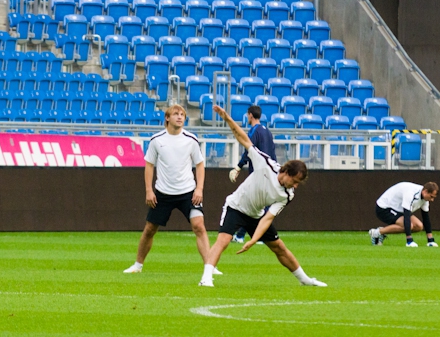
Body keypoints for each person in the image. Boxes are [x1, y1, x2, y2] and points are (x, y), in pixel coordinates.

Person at [198, 105, 327, 288]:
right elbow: (243, 139)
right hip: (236, 206)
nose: (296, 186)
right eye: (295, 180)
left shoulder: (287, 194)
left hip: (256, 215)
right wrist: (227, 118)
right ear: (287, 172)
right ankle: (206, 278)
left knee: (279, 247)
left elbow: (268, 218)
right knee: (224, 240)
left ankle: (305, 280)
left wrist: (253, 240)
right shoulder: (265, 164)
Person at [124, 104, 218, 274]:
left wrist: (199, 189)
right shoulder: (157, 140)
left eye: (182, 114)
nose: (180, 117)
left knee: (199, 225)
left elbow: (200, 164)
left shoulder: (191, 139)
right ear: (167, 118)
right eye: (176, 114)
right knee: (150, 229)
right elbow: (149, 165)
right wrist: (148, 190)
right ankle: (138, 265)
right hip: (163, 193)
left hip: (188, 192)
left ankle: (209, 266)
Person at [228, 105, 276, 244]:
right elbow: (272, 153)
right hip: (269, 173)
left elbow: (250, 151)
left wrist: (238, 167)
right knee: (258, 204)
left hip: (257, 174)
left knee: (250, 204)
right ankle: (244, 235)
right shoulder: (268, 131)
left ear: (250, 115)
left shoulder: (254, 131)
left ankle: (257, 235)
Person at [369, 182, 439, 247]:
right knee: (409, 225)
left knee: (419, 226)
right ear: (425, 191)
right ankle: (376, 233)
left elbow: (425, 217)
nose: (432, 200)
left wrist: (430, 240)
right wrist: (409, 240)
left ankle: (383, 231)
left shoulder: (425, 198)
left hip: (398, 209)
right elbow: (406, 215)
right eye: (431, 196)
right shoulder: (410, 193)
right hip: (384, 208)